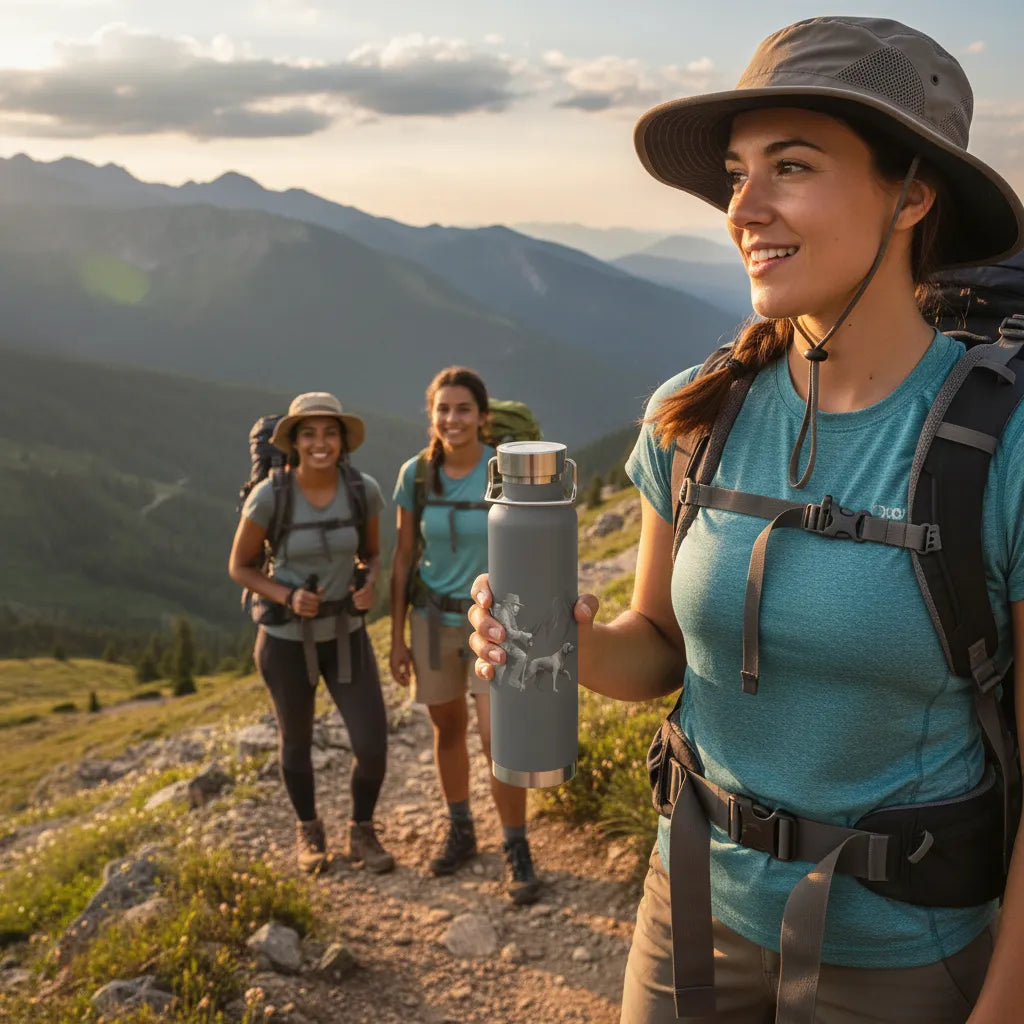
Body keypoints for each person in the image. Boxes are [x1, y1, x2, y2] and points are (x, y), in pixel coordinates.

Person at [468, 16, 1024, 1024]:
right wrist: (573, 644)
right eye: (736, 174)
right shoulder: (696, 413)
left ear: (913, 193)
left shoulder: (1005, 445)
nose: (743, 208)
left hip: (903, 960)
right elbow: (659, 656)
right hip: (687, 918)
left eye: (791, 166)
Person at [389, 366, 542, 904]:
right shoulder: (416, 475)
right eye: (443, 410)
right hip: (430, 619)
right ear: (431, 415)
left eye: (462, 409)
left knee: (495, 738)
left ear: (482, 416)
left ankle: (515, 844)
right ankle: (461, 828)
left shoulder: (503, 471)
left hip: (493, 623)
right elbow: (404, 555)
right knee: (446, 727)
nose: (452, 419)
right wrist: (395, 637)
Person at [229, 392, 394, 875]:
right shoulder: (270, 496)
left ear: (343, 441)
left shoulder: (364, 490)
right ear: (294, 442)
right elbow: (239, 566)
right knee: (295, 740)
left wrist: (369, 584)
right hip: (284, 642)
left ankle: (362, 829)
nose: (320, 443)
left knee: (371, 743)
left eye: (330, 432)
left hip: (348, 634)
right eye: (309, 433)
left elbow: (373, 553)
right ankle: (309, 829)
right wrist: (286, 596)